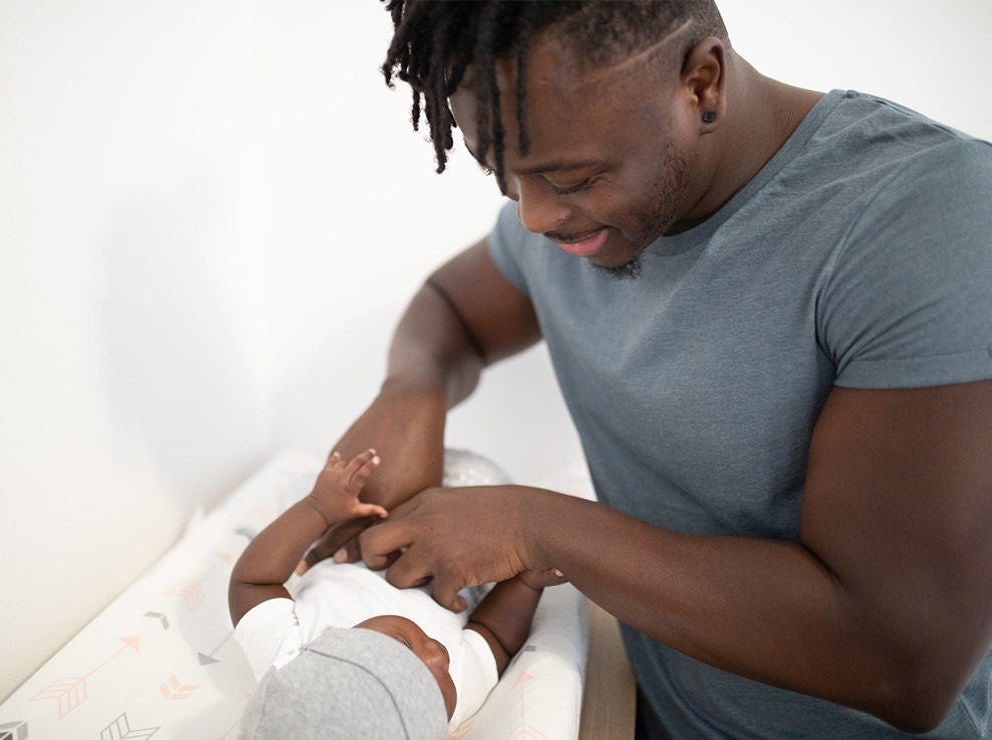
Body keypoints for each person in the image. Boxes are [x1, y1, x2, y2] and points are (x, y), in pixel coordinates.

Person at [298, 1, 992, 737]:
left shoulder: (927, 220)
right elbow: (454, 309)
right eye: (501, 174)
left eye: (569, 176)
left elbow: (898, 662)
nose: (532, 216)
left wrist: (536, 527)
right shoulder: (574, 211)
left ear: (701, 84)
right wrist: (412, 389)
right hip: (650, 707)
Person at [228, 448, 564, 737]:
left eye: (404, 648)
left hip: (350, 528)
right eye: (438, 692)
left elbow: (252, 582)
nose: (439, 656)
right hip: (459, 551)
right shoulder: (453, 701)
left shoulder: (290, 655)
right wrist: (526, 582)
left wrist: (318, 508)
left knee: (363, 480)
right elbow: (494, 636)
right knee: (484, 483)